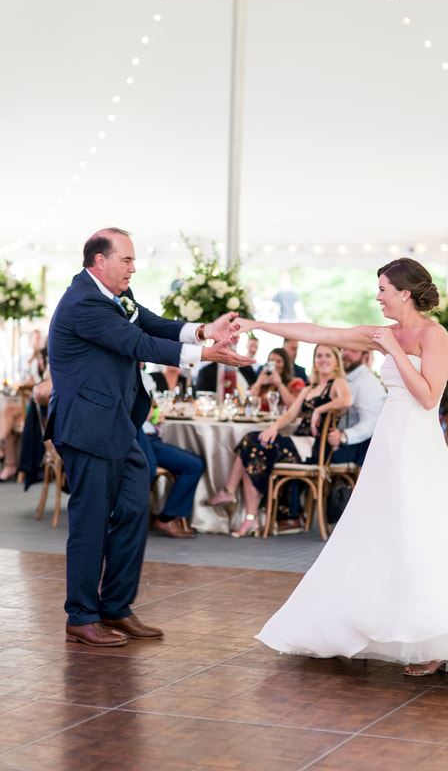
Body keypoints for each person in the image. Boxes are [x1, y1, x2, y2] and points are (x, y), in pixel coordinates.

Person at [235, 257, 448, 684]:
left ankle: (436, 641)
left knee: (422, 536)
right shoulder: (384, 334)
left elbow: (430, 397)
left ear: (404, 293)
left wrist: (395, 351)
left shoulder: (435, 336)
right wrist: (260, 326)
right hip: (388, 445)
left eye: (382, 289)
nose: (377, 297)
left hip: (419, 444)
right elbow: (322, 333)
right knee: (378, 534)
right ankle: (361, 624)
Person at [45, 226, 251, 648]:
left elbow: (153, 324)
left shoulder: (115, 297)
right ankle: (81, 616)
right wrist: (206, 355)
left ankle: (116, 608)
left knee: (137, 508)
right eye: (126, 260)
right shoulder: (83, 302)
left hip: (120, 425)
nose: (133, 268)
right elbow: (136, 342)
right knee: (90, 522)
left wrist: (204, 330)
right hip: (88, 428)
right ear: (99, 261)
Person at [207, 345, 352, 536]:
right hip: (299, 442)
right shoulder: (309, 388)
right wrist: (274, 427)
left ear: (335, 362)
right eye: (319, 356)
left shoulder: (337, 383)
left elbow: (347, 401)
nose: (323, 359)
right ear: (314, 362)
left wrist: (319, 410)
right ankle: (249, 518)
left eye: (327, 356)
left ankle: (231, 493)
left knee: (252, 443)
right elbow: (291, 414)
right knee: (254, 447)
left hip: (313, 448)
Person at [137, 405, 204, 539]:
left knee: (194, 465)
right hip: (138, 439)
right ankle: (157, 519)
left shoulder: (147, 384)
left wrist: (154, 416)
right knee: (147, 469)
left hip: (153, 438)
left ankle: (168, 517)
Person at [326, 347, 386, 467]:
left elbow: (371, 422)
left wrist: (344, 436)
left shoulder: (367, 382)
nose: (345, 353)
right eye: (343, 349)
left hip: (356, 448)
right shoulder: (342, 378)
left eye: (353, 350)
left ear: (365, 355)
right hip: (335, 442)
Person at [248, 348, 300, 412]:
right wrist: (258, 383)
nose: (275, 364)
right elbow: (249, 403)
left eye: (279, 361)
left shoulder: (295, 383)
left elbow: (294, 407)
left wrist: (279, 384)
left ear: (285, 365)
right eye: (271, 361)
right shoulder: (263, 384)